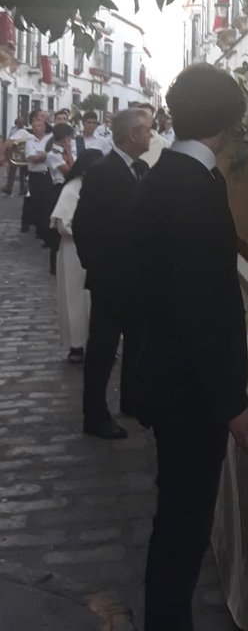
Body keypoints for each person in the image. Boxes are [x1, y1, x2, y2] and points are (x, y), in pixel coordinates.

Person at [133, 63, 248, 631]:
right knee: (183, 519)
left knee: (179, 514)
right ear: (231, 121)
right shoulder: (191, 186)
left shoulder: (176, 174)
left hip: (172, 377)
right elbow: (202, 306)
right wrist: (232, 401)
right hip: (187, 389)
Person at [73, 107, 153, 440]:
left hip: (138, 278)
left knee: (137, 342)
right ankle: (94, 414)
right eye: (147, 130)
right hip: (111, 278)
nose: (151, 134)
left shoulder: (143, 168)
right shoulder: (104, 171)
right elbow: (83, 224)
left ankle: (132, 399)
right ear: (132, 135)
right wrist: (98, 267)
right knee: (103, 348)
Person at [51, 149, 104, 364]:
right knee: (74, 296)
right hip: (73, 251)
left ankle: (98, 340)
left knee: (97, 298)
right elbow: (63, 224)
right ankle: (77, 344)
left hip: (98, 250)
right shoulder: (72, 189)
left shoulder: (101, 188)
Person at [45, 123, 76, 275]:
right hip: (58, 190)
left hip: (67, 189)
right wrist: (69, 153)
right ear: (65, 138)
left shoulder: (64, 153)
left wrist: (69, 154)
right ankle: (54, 265)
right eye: (69, 138)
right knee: (57, 228)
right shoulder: (53, 155)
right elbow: (70, 171)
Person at [22, 111, 53, 243]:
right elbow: (33, 158)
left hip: (47, 175)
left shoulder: (51, 138)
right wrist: (45, 154)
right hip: (34, 176)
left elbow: (53, 155)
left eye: (39, 125)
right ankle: (40, 231)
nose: (37, 128)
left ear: (45, 126)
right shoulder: (30, 141)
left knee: (48, 204)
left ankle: (47, 233)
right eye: (34, 126)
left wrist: (42, 154)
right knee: (36, 204)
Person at [3, 117, 29, 195]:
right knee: (12, 171)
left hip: (22, 152)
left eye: (21, 123)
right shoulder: (13, 130)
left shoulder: (25, 131)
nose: (20, 124)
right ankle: (9, 188)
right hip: (14, 152)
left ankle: (22, 189)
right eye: (18, 123)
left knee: (22, 172)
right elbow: (9, 139)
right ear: (16, 123)